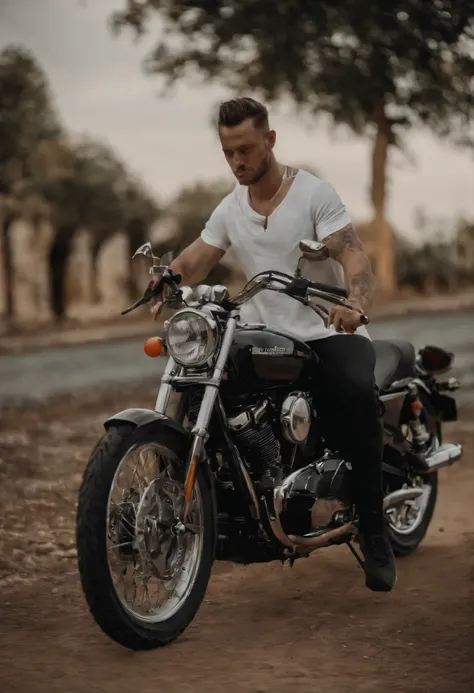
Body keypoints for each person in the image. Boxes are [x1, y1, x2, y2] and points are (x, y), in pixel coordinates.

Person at [149, 97, 396, 593]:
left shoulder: (313, 194)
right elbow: (199, 255)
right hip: (265, 335)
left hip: (329, 331)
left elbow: (353, 254)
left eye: (245, 149)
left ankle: (374, 528)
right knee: (204, 390)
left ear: (270, 139)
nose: (238, 161)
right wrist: (167, 277)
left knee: (354, 394)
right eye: (228, 153)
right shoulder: (230, 207)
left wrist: (355, 303)